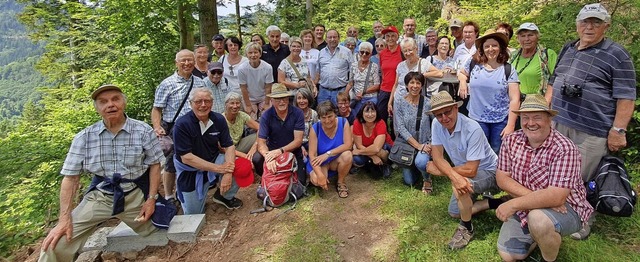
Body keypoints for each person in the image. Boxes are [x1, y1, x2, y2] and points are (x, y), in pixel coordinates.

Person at [39, 85, 164, 261]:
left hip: (135, 194)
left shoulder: (143, 131)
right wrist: (64, 219)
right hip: (100, 197)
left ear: (123, 103)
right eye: (103, 102)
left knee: (162, 232)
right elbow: (71, 178)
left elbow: (155, 165)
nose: (110, 105)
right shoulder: (84, 137)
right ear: (97, 108)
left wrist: (151, 199)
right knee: (56, 243)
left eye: (115, 99)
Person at [547, 3, 637, 240]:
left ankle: (583, 220)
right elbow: (552, 81)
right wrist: (546, 112)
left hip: (592, 128)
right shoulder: (568, 48)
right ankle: (556, 209)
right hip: (559, 122)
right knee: (557, 171)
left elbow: (626, 96)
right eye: (585, 22)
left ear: (606, 26)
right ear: (577, 24)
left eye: (596, 22)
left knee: (582, 177)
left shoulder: (617, 55)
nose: (589, 27)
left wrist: (618, 129)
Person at [495, 94, 594, 262]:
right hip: (533, 204)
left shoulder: (565, 148)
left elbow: (557, 197)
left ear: (549, 119)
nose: (530, 123)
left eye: (537, 117)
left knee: (539, 220)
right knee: (510, 256)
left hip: (567, 207)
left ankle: (547, 257)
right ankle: (539, 236)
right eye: (525, 117)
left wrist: (512, 204)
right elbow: (502, 178)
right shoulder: (511, 140)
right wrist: (539, 199)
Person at [426, 91, 499, 250]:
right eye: (439, 115)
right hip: (467, 170)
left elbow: (472, 169)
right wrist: (452, 174)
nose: (444, 118)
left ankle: (467, 228)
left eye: (447, 112)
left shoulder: (472, 128)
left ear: (456, 108)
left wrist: (443, 172)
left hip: (491, 172)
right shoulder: (437, 124)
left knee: (460, 184)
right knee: (454, 212)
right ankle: (495, 202)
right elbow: (438, 157)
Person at [173, 88, 246, 213]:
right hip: (191, 170)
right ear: (191, 104)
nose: (203, 105)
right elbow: (186, 158)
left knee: (242, 166)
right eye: (198, 101)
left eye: (207, 101)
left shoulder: (218, 119)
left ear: (212, 103)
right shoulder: (182, 124)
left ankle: (224, 196)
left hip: (214, 159)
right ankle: (183, 195)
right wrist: (220, 169)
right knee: (193, 214)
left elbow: (229, 146)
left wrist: (228, 173)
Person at [152, 49, 206, 202]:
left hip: (195, 128)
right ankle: (169, 196)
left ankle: (188, 192)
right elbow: (157, 109)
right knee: (171, 164)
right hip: (173, 128)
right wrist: (157, 126)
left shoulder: (199, 82)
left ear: (194, 62)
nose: (187, 63)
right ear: (176, 63)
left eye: (190, 60)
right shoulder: (167, 84)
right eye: (183, 60)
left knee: (193, 160)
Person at [457, 30, 520, 153]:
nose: (491, 49)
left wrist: (511, 125)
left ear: (501, 48)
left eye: (494, 45)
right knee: (479, 152)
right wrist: (463, 82)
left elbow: (515, 99)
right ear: (482, 49)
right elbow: (462, 74)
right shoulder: (474, 64)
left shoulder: (508, 69)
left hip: (501, 120)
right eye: (487, 46)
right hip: (477, 118)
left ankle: (496, 173)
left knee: (498, 152)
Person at [253, 83, 307, 186]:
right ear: (272, 101)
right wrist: (268, 157)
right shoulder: (266, 116)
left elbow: (298, 141)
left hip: (293, 152)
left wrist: (280, 151)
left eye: (284, 98)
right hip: (272, 151)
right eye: (278, 99)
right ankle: (268, 175)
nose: (282, 102)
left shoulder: (297, 113)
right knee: (257, 158)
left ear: (288, 99)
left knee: (300, 183)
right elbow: (261, 142)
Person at [393, 72, 433, 190]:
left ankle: (427, 179)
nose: (415, 86)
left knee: (420, 162)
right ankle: (418, 166)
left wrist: (430, 144)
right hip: (407, 144)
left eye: (418, 83)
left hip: (425, 143)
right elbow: (400, 127)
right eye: (412, 82)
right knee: (409, 181)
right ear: (406, 85)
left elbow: (436, 123)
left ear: (421, 86)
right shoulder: (399, 102)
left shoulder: (427, 103)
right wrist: (417, 146)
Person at [307, 101, 353, 198]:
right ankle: (322, 176)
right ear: (319, 118)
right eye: (323, 118)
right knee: (316, 180)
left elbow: (348, 145)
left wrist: (327, 154)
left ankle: (341, 182)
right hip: (320, 162)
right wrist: (319, 174)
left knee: (347, 155)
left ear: (335, 114)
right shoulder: (315, 129)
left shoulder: (343, 122)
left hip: (334, 159)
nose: (327, 121)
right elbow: (312, 155)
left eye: (330, 116)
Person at [388, 38, 441, 113]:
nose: (408, 53)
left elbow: (439, 73)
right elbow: (396, 85)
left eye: (410, 50)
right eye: (405, 51)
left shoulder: (423, 63)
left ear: (416, 49)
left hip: (415, 102)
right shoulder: (400, 65)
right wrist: (390, 102)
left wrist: (422, 75)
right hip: (399, 102)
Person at [510, 23, 558, 99]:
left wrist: (546, 102)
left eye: (530, 35)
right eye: (523, 36)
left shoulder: (547, 55)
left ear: (537, 37)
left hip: (538, 102)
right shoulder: (512, 57)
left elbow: (556, 80)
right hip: (513, 102)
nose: (527, 39)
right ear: (518, 39)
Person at [352, 101, 393, 178]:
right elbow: (359, 145)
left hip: (385, 146)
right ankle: (370, 163)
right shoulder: (357, 122)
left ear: (376, 112)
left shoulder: (381, 123)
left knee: (381, 150)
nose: (370, 114)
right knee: (357, 159)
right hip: (368, 149)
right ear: (362, 113)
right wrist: (373, 156)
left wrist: (358, 152)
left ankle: (386, 164)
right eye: (367, 111)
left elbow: (377, 148)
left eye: (373, 111)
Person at [315, 29, 353, 106]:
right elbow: (318, 72)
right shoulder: (321, 52)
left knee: (339, 115)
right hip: (323, 91)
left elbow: (352, 72)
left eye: (334, 37)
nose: (332, 39)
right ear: (326, 39)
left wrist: (346, 91)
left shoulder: (347, 52)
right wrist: (314, 86)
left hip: (340, 91)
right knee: (323, 114)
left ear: (338, 38)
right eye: (330, 37)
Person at [238, 42, 274, 120]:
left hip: (263, 98)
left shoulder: (267, 67)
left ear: (260, 54)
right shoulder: (242, 69)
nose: (253, 55)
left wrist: (267, 103)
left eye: (255, 52)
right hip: (249, 99)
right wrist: (248, 105)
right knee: (251, 120)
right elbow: (243, 88)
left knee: (266, 118)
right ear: (246, 55)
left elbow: (268, 87)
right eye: (250, 53)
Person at [377, 25, 403, 124]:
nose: (390, 38)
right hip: (385, 89)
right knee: (381, 117)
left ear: (397, 37)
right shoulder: (383, 53)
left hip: (398, 90)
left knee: (397, 119)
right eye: (387, 36)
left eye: (393, 36)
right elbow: (383, 72)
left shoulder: (402, 51)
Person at [346, 41, 380, 115]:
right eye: (362, 52)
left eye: (367, 53)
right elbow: (351, 82)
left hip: (370, 98)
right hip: (356, 99)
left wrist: (363, 92)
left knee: (368, 118)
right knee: (356, 119)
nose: (364, 54)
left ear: (370, 54)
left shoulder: (374, 66)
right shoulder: (353, 65)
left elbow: (377, 85)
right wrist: (345, 95)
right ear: (359, 53)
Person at [223, 92, 259, 160]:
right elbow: (222, 148)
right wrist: (245, 156)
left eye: (237, 103)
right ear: (226, 105)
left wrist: (254, 147)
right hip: (227, 150)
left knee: (259, 137)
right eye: (232, 103)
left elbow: (261, 128)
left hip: (239, 145)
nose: (235, 106)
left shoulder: (242, 115)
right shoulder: (221, 119)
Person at [294, 88, 318, 158]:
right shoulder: (292, 114)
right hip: (296, 144)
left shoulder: (314, 114)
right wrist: (300, 146)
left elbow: (316, 133)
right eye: (299, 98)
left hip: (311, 143)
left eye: (304, 98)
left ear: (309, 99)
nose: (301, 101)